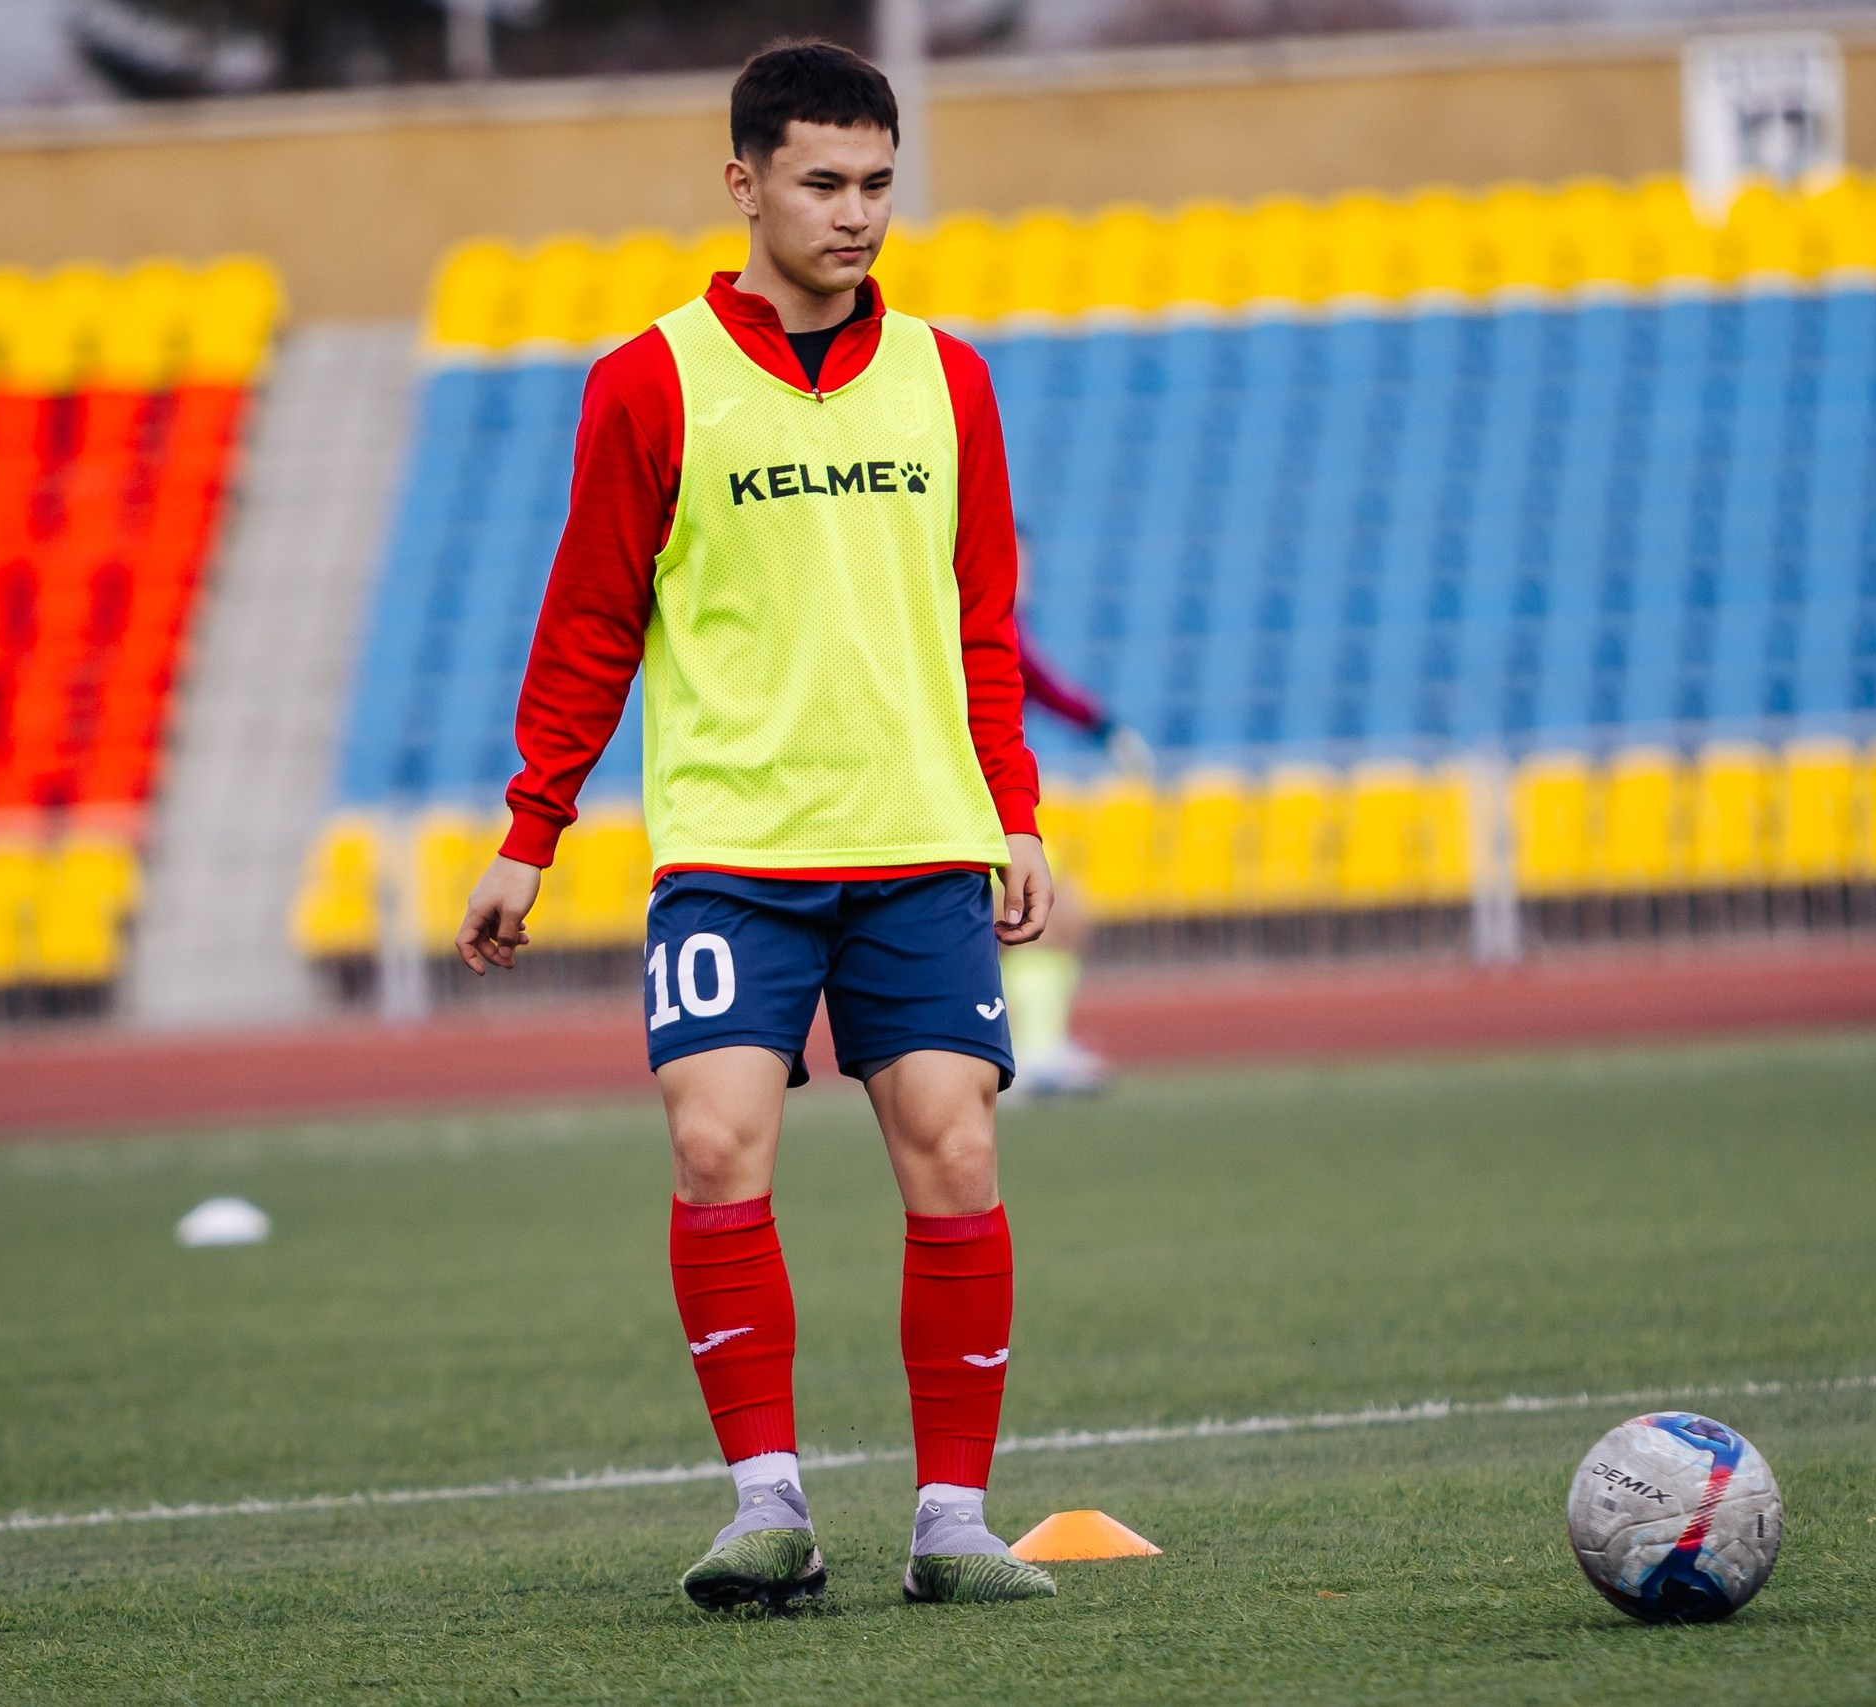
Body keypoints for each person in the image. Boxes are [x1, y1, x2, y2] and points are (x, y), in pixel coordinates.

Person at [452, 39, 1057, 1612]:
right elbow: (589, 620)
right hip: (732, 848)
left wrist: (1015, 809)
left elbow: (983, 616)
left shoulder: (951, 377)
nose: (856, 215)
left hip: (921, 837)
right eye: (823, 182)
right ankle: (767, 1504)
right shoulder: (648, 382)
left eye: (877, 184)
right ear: (745, 182)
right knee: (717, 1141)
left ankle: (951, 1522)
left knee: (959, 1151)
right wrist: (535, 828)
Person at [1003, 531, 1148, 1095]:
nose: (1026, 575)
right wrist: (1104, 727)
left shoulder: (1006, 626)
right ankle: (1029, 1053)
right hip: (980, 801)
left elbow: (1041, 685)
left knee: (1051, 917)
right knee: (1046, 914)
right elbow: (1042, 684)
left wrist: (1102, 727)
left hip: (1000, 799)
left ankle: (1036, 1046)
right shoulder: (979, 621)